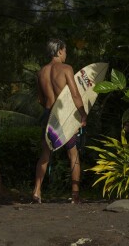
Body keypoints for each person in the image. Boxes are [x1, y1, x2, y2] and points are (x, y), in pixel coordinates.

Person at [32, 38, 87, 204]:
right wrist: (83, 114)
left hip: (49, 115)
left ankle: (37, 191)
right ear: (60, 51)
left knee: (45, 154)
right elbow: (75, 95)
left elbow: (40, 100)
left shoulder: (41, 72)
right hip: (65, 116)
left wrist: (51, 106)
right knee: (73, 154)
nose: (66, 54)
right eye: (65, 50)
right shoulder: (66, 69)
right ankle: (75, 195)